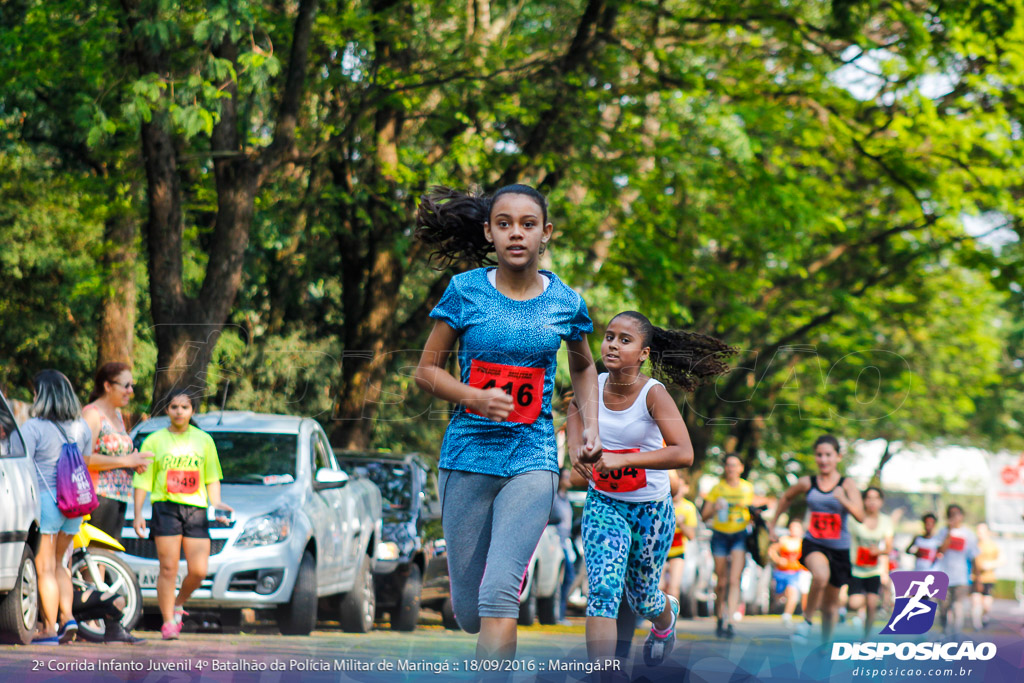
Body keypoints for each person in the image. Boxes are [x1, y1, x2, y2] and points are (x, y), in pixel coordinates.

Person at [413, 184, 601, 659]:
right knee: (470, 610)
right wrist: (474, 395)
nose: (516, 233)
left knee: (499, 594)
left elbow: (582, 366)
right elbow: (426, 371)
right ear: (489, 232)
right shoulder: (465, 290)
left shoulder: (566, 302)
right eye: (504, 224)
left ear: (546, 234)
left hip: (532, 457)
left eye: (528, 224)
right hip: (467, 455)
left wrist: (588, 428)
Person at [568, 310, 729, 670]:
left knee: (643, 599)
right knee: (603, 592)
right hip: (604, 503)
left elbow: (683, 453)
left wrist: (623, 461)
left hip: (650, 511)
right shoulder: (590, 383)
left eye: (625, 340)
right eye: (609, 336)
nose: (612, 344)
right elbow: (573, 408)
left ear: (643, 353)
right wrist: (575, 448)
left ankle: (665, 615)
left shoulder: (653, 394)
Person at [133, 391, 232, 640]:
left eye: (184, 407)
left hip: (196, 510)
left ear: (192, 411)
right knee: (168, 567)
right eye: (174, 406)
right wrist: (137, 513)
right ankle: (168, 623)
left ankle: (179, 603)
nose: (179, 411)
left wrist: (217, 504)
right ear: (167, 410)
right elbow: (142, 481)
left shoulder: (204, 440)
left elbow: (212, 477)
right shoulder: (154, 441)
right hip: (165, 508)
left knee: (198, 570)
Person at [16, 370, 93, 644]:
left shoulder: (33, 427)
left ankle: (49, 627)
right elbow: (85, 462)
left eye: (35, 392)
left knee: (44, 566)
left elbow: (19, 461)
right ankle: (68, 618)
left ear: (42, 395)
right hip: (75, 503)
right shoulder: (82, 426)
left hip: (48, 502)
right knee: (61, 564)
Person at [769, 435, 865, 644]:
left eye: (828, 455)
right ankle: (806, 622)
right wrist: (772, 523)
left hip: (839, 548)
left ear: (838, 457)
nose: (823, 460)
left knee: (830, 608)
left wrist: (843, 499)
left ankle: (824, 647)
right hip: (814, 542)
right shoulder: (808, 482)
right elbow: (786, 497)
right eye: (819, 455)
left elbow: (860, 515)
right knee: (820, 575)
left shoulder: (846, 484)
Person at [82, 363, 153, 558]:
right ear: (107, 386)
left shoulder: (118, 416)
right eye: (126, 385)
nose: (130, 391)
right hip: (97, 496)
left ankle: (97, 590)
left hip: (118, 496)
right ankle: (89, 590)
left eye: (132, 386)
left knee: (106, 558)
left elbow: (118, 458)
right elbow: (83, 458)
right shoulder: (92, 414)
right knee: (95, 557)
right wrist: (126, 461)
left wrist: (133, 464)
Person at [701, 453, 754, 638]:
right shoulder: (717, 489)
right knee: (721, 581)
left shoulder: (748, 488)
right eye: (728, 465)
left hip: (739, 535)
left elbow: (753, 512)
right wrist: (714, 508)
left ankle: (730, 620)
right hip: (720, 535)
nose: (731, 469)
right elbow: (704, 516)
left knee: (734, 579)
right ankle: (719, 616)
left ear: (740, 468)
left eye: (735, 465)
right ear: (725, 468)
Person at [846, 487, 893, 639]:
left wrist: (878, 552)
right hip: (855, 569)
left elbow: (889, 547)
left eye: (876, 498)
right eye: (868, 498)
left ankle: (866, 638)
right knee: (854, 603)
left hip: (874, 569)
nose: (872, 501)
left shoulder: (886, 521)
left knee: (872, 605)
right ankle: (857, 609)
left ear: (881, 501)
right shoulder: (853, 519)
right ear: (864, 501)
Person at [934, 504, 977, 640]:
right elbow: (940, 551)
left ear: (962, 516)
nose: (954, 516)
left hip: (961, 577)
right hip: (944, 575)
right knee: (944, 608)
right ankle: (944, 630)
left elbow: (974, 556)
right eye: (951, 514)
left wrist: (977, 577)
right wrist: (949, 532)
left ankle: (956, 635)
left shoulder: (969, 534)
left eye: (957, 513)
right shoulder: (942, 532)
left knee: (958, 606)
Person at [661, 473, 698, 609]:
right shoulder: (662, 504)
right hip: (661, 551)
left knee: (674, 587)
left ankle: (672, 616)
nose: (676, 490)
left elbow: (691, 536)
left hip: (677, 551)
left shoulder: (688, 508)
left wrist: (681, 524)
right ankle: (657, 617)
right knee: (659, 586)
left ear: (686, 488)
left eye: (680, 486)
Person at [71, 587, 145, 644]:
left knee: (117, 601)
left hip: (71, 601)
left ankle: (115, 634)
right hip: (63, 604)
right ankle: (66, 624)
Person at [768, 520, 806, 628]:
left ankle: (787, 615)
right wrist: (778, 559)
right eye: (792, 528)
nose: (794, 530)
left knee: (792, 594)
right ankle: (775, 608)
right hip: (781, 572)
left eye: (797, 528)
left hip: (795, 573)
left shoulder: (802, 542)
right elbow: (772, 550)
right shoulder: (784, 540)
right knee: (779, 595)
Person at [550, 469, 576, 625]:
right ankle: (558, 614)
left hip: (567, 542)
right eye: (566, 477)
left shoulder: (566, 499)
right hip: (556, 542)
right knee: (563, 578)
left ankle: (561, 613)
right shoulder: (554, 498)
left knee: (570, 577)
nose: (569, 479)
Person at [971, 523, 1000, 630]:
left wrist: (990, 564)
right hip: (975, 577)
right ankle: (976, 624)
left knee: (987, 604)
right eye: (978, 531)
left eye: (982, 532)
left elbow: (1001, 559)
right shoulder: (973, 544)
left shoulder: (993, 545)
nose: (979, 534)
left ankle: (984, 616)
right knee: (975, 601)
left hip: (988, 578)